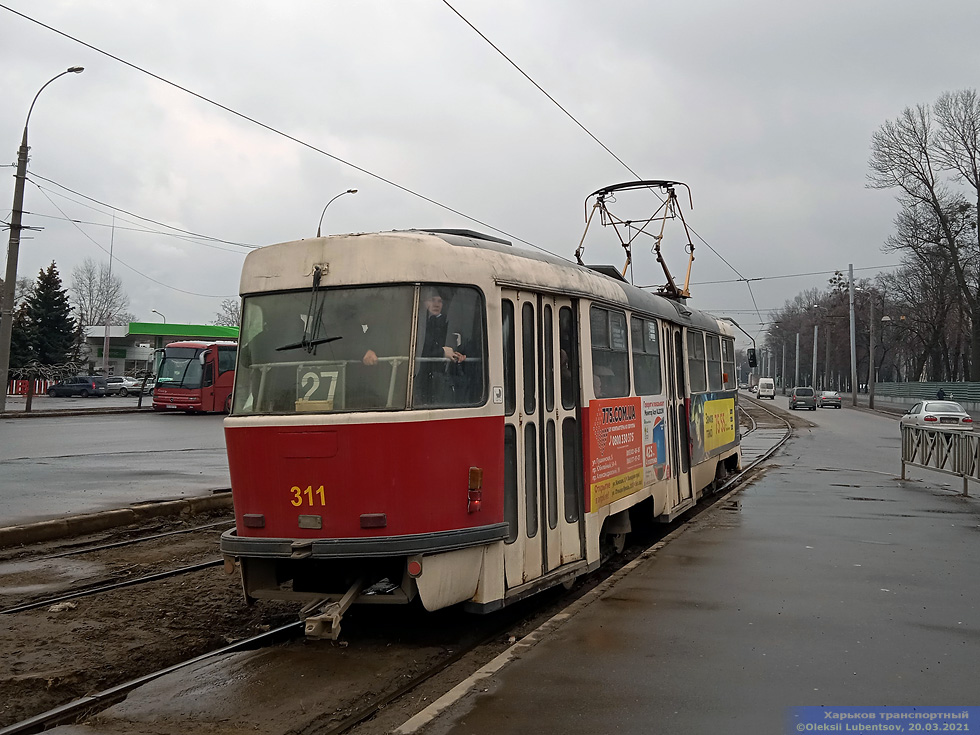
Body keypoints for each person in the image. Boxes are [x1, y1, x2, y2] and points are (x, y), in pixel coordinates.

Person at [415, 289, 467, 404]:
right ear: (425, 303)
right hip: (422, 375)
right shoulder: (419, 323)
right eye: (432, 300)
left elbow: (459, 346)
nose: (436, 304)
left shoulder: (448, 324)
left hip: (443, 376)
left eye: (440, 301)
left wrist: (460, 356)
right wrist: (442, 352)